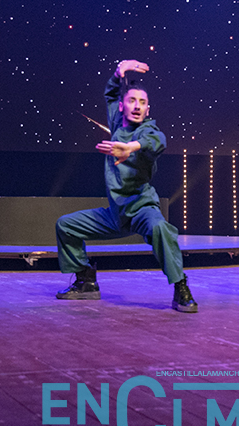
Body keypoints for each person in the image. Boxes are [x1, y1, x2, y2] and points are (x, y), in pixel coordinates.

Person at [54, 60, 197, 313]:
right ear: (123, 106)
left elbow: (158, 141)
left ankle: (180, 286)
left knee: (160, 228)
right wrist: (119, 72)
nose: (137, 106)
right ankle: (86, 281)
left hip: (141, 208)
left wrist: (131, 147)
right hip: (115, 214)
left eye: (142, 102)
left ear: (148, 108)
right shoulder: (117, 123)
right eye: (132, 101)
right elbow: (111, 94)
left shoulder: (147, 130)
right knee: (66, 225)